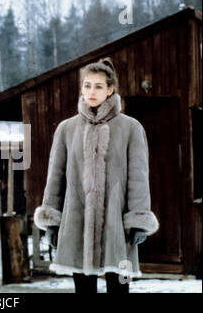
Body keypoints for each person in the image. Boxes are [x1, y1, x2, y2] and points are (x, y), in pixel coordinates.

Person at [34, 58, 159, 293]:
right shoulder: (66, 129)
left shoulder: (130, 128)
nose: (92, 91)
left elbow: (139, 178)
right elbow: (55, 178)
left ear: (110, 89)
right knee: (83, 288)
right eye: (87, 85)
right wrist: (51, 222)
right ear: (81, 88)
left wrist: (138, 220)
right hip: (77, 220)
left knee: (119, 286)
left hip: (116, 221)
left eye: (99, 86)